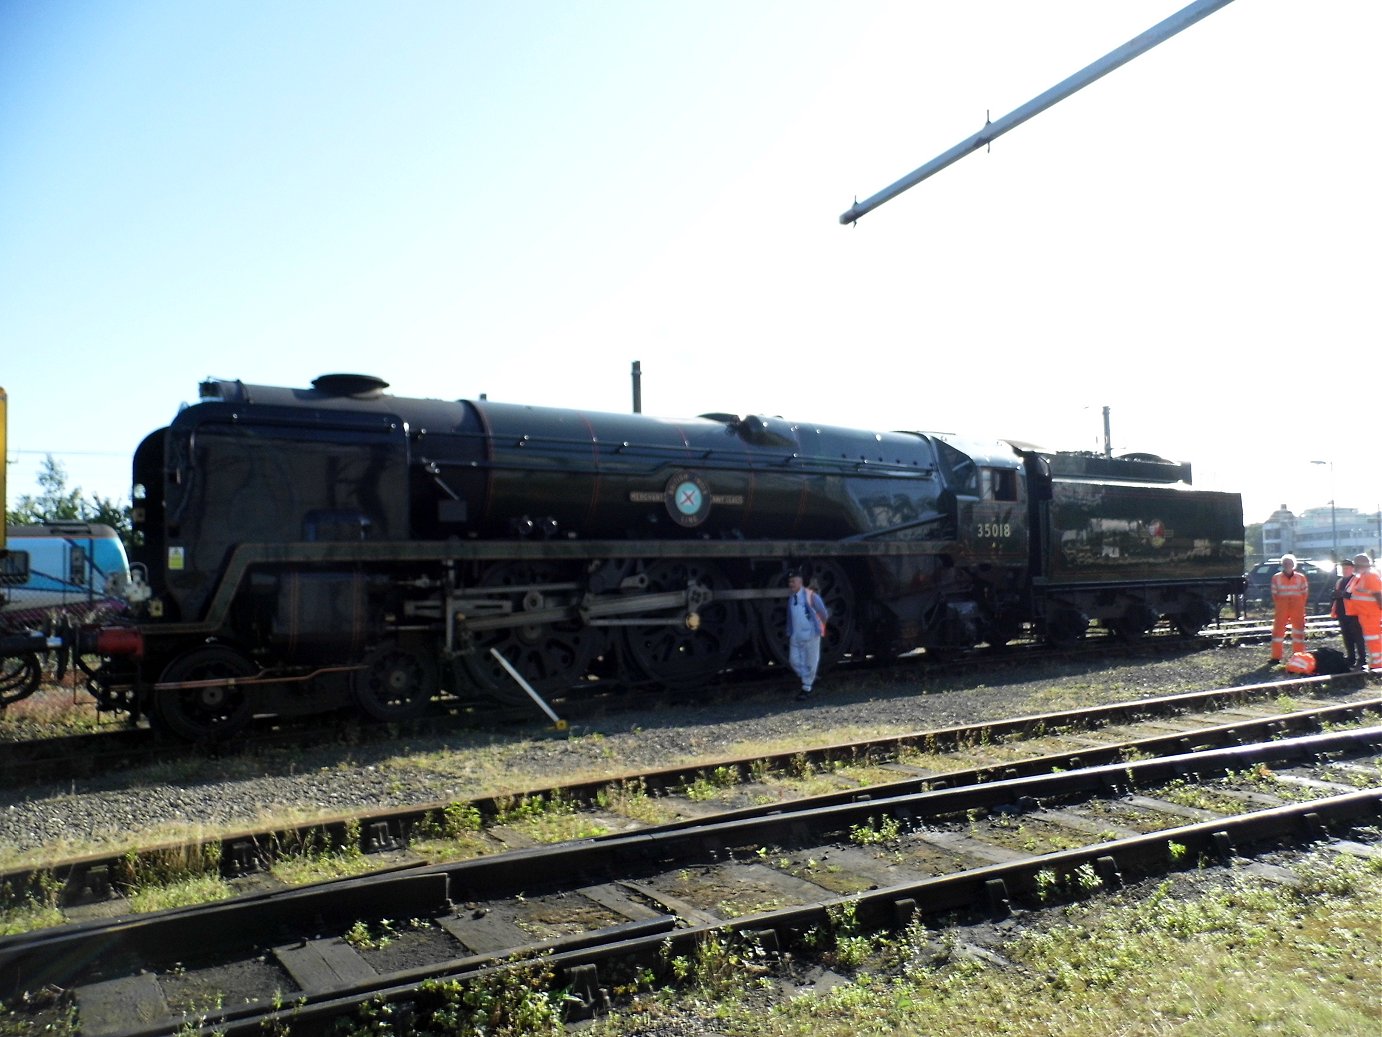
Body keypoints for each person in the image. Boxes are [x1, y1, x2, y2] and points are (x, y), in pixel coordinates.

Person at [785, 569, 830, 701]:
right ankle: (810, 677)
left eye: (793, 581)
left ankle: (806, 688)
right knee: (794, 660)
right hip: (796, 635)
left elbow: (823, 613)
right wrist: (790, 631)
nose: (791, 584)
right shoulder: (791, 599)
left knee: (811, 661)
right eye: (789, 582)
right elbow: (790, 617)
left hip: (811, 634)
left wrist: (818, 629)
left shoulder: (812, 596)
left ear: (800, 582)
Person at [1268, 553, 1310, 666]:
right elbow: (1274, 594)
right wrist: (1282, 604)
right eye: (1285, 563)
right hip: (1282, 607)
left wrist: (1299, 604)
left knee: (1299, 632)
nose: (1288, 565)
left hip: (1297, 607)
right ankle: (1276, 657)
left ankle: (1299, 655)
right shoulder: (1276, 578)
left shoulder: (1301, 577)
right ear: (1282, 565)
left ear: (1294, 565)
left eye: (1290, 563)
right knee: (1278, 632)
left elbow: (1305, 593)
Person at [1344, 553, 1382, 671]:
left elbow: (1378, 595)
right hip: (1365, 614)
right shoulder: (1363, 576)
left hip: (1371, 614)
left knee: (1374, 639)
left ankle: (1378, 664)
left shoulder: (1370, 576)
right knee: (1372, 639)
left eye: (1355, 564)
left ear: (1360, 565)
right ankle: (1376, 663)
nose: (1353, 567)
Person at [1332, 558, 1365, 669]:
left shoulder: (1356, 580)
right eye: (1343, 568)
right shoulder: (1339, 581)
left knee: (1357, 637)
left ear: (1352, 569)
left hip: (1354, 613)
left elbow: (1355, 595)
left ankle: (1362, 659)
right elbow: (1337, 596)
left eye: (1347, 568)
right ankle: (1351, 658)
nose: (1345, 570)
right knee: (1347, 637)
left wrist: (1343, 594)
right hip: (1342, 612)